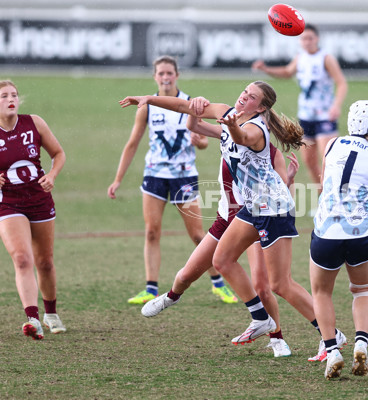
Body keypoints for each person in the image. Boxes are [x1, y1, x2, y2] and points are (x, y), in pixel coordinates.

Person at [120, 81, 347, 356]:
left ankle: (331, 335)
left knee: (279, 284)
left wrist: (231, 125)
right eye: (244, 92)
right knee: (221, 260)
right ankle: (261, 318)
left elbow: (241, 138)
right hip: (253, 207)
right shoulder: (231, 114)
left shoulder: (253, 129)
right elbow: (183, 108)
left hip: (273, 208)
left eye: (251, 97)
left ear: (261, 107)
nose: (243, 97)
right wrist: (150, 99)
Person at [142, 111, 297, 356]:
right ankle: (171, 297)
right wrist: (173, 105)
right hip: (226, 221)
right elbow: (197, 123)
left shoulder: (270, 153)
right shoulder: (230, 140)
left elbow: (278, 193)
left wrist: (288, 180)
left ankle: (277, 338)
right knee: (186, 275)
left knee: (262, 286)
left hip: (255, 221)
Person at [107, 56, 237, 305]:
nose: (165, 77)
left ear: (177, 75)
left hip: (184, 176)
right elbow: (133, 142)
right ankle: (151, 287)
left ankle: (218, 284)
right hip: (154, 175)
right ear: (154, 76)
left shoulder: (190, 103)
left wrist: (200, 142)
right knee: (152, 232)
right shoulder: (147, 106)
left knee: (199, 235)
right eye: (161, 73)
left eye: (169, 73)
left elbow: (204, 140)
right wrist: (117, 179)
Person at [309, 101, 368, 379]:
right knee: (362, 289)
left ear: (350, 122)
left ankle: (332, 352)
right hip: (361, 235)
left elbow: (327, 179)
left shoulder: (331, 144)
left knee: (322, 292)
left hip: (327, 232)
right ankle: (361, 343)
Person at [0, 80, 67, 340]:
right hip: (8, 203)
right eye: (4, 96)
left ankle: (51, 313)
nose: (11, 99)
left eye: (14, 95)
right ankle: (32, 319)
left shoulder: (33, 122)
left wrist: (53, 175)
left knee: (45, 262)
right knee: (23, 259)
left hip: (39, 199)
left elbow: (58, 153)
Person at [252, 24, 348, 188]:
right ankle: (322, 197)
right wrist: (266, 69)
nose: (307, 42)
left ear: (316, 39)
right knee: (310, 162)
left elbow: (341, 83)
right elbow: (288, 72)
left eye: (310, 38)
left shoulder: (326, 58)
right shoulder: (301, 57)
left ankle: (334, 198)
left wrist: (336, 106)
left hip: (324, 115)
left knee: (328, 160)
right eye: (303, 39)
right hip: (306, 116)